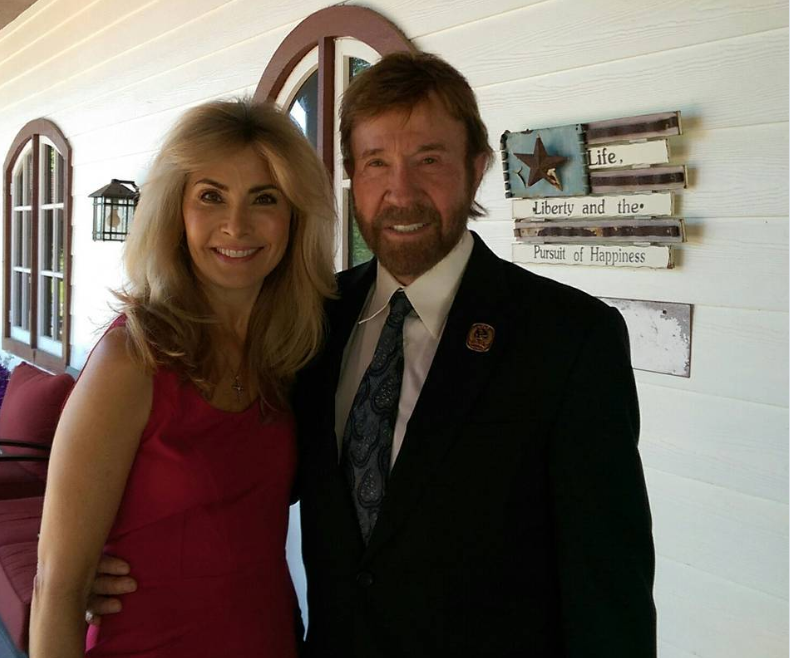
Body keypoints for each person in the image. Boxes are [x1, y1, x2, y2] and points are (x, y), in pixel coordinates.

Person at [88, 53, 657, 657]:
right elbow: (238, 479)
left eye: (429, 160)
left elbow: (609, 589)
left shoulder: (569, 338)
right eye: (376, 162)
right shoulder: (311, 322)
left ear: (478, 167)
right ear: (352, 177)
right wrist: (116, 551)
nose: (400, 192)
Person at [29, 99, 336, 657]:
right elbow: (57, 588)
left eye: (263, 199)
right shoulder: (132, 359)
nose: (236, 225)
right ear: (176, 212)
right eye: (210, 196)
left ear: (294, 216)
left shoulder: (292, 355)